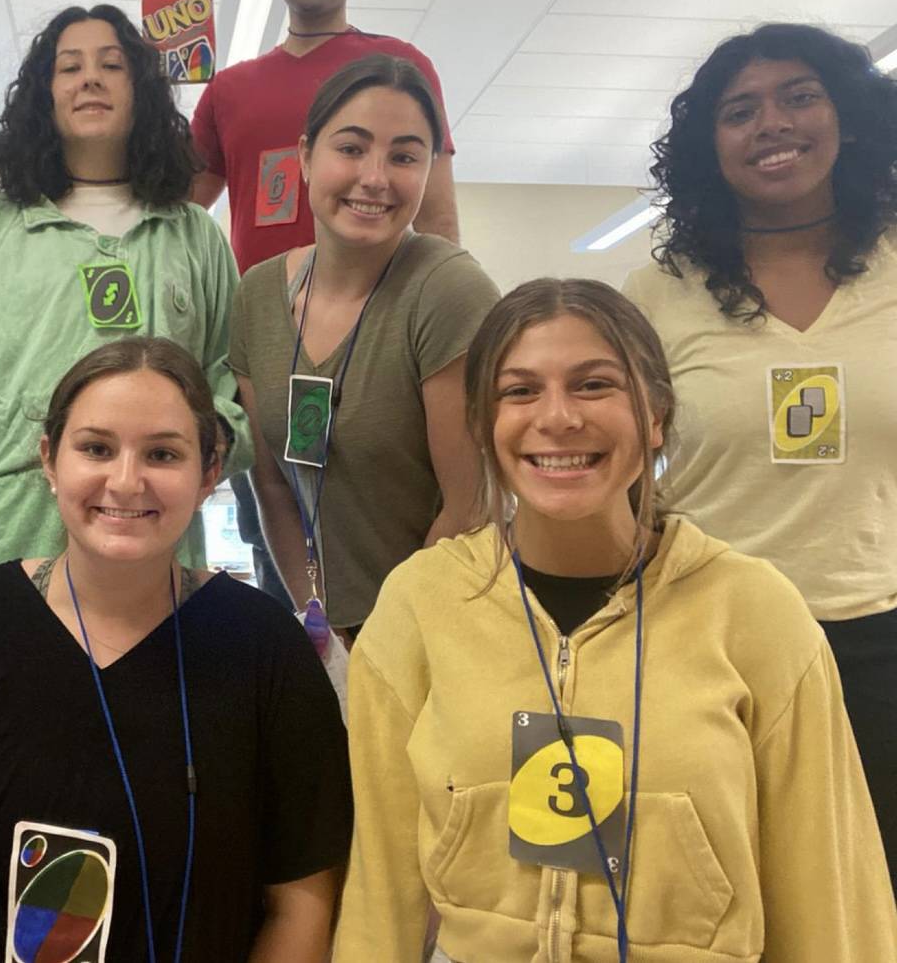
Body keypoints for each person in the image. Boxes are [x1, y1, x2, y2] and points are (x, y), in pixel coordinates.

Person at [334, 278, 896, 962]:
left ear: (655, 415)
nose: (559, 417)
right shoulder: (421, 604)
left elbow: (831, 899)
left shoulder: (756, 613)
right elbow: (378, 885)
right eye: (520, 391)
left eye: (594, 384)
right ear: (482, 423)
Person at [0, 338, 351, 962]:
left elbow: (301, 900)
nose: (126, 480)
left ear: (210, 474)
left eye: (163, 453)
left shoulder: (266, 652)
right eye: (96, 448)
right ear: (49, 460)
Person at [624, 23, 897, 881]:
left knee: (871, 891)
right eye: (740, 110)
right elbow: (618, 472)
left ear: (848, 118)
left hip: (879, 639)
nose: (771, 122)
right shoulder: (658, 293)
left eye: (799, 96)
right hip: (713, 637)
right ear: (711, 146)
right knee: (733, 887)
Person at [0, 4, 251, 615]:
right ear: (45, 94)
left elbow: (232, 393)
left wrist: (189, 449)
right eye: (70, 67)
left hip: (153, 546)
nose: (90, 78)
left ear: (141, 91)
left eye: (112, 65)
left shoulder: (195, 235)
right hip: (5, 538)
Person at [231, 54, 496, 638]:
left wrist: (389, 638)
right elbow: (273, 483)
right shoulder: (257, 295)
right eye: (351, 148)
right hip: (324, 626)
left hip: (439, 623)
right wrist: (316, 615)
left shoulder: (447, 289)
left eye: (404, 156)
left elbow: (470, 508)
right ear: (305, 157)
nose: (375, 177)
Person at [190, 0, 459, 273]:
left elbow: (439, 228)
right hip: (258, 320)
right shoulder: (226, 90)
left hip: (377, 317)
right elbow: (175, 215)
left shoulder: (400, 69)